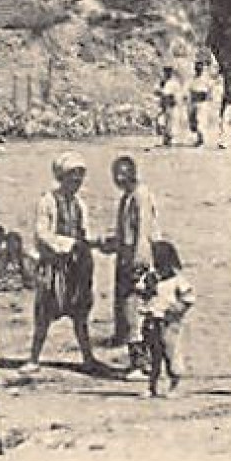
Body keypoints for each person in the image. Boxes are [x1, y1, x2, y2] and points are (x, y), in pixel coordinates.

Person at [26, 152, 100, 373]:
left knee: (80, 313)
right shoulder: (47, 201)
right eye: (73, 177)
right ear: (62, 177)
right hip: (54, 266)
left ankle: (88, 357)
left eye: (80, 177)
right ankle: (33, 358)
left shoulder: (80, 204)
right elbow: (42, 234)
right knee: (44, 314)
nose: (77, 182)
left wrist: (94, 243)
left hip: (76, 268)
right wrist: (68, 244)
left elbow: (85, 232)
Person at [98, 155, 161, 379]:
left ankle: (141, 364)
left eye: (121, 174)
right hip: (126, 260)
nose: (118, 179)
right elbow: (126, 233)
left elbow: (143, 233)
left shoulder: (140, 197)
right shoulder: (128, 197)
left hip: (138, 263)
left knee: (136, 313)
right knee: (128, 313)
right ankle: (139, 361)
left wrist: (139, 262)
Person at [136, 241, 195, 399]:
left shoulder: (177, 280)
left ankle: (175, 385)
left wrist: (176, 310)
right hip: (152, 320)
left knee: (171, 353)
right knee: (153, 354)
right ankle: (152, 386)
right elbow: (139, 291)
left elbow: (188, 298)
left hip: (169, 323)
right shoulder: (150, 277)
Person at [188, 61, 217, 147]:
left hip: (202, 103)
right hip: (193, 102)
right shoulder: (192, 79)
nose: (198, 69)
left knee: (200, 121)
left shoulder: (206, 79)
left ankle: (201, 140)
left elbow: (211, 90)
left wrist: (208, 99)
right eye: (197, 68)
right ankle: (199, 138)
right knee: (193, 122)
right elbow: (189, 91)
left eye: (200, 68)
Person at [156, 67, 186, 147]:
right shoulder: (162, 82)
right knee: (163, 122)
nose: (167, 74)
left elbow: (178, 94)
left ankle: (171, 140)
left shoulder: (174, 83)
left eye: (168, 72)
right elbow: (158, 92)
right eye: (166, 72)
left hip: (172, 104)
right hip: (164, 104)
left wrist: (174, 101)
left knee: (171, 123)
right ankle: (165, 139)